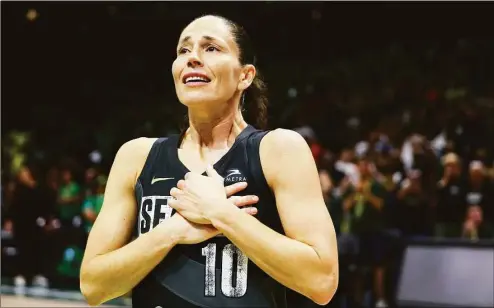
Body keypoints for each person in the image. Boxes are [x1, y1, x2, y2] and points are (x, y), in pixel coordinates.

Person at [80, 15, 338, 308]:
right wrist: (173, 231)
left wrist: (221, 214)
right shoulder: (136, 157)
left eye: (211, 48)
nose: (192, 59)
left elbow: (322, 281)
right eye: (183, 50)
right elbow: (93, 285)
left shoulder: (278, 150)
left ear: (245, 76)